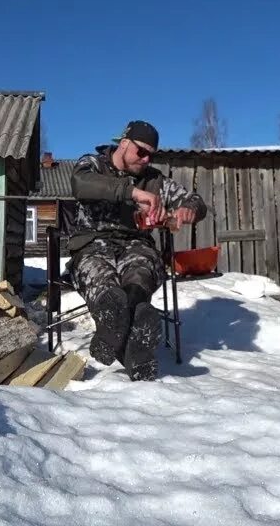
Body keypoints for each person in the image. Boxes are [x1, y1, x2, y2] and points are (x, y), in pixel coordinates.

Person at [68, 120, 207, 381]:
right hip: (92, 242)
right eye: (140, 152)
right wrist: (133, 193)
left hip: (136, 244)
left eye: (150, 155)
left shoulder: (155, 180)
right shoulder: (93, 165)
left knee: (142, 272)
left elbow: (196, 201)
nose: (145, 159)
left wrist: (189, 210)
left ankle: (122, 330)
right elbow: (80, 184)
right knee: (101, 279)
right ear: (123, 143)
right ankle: (133, 351)